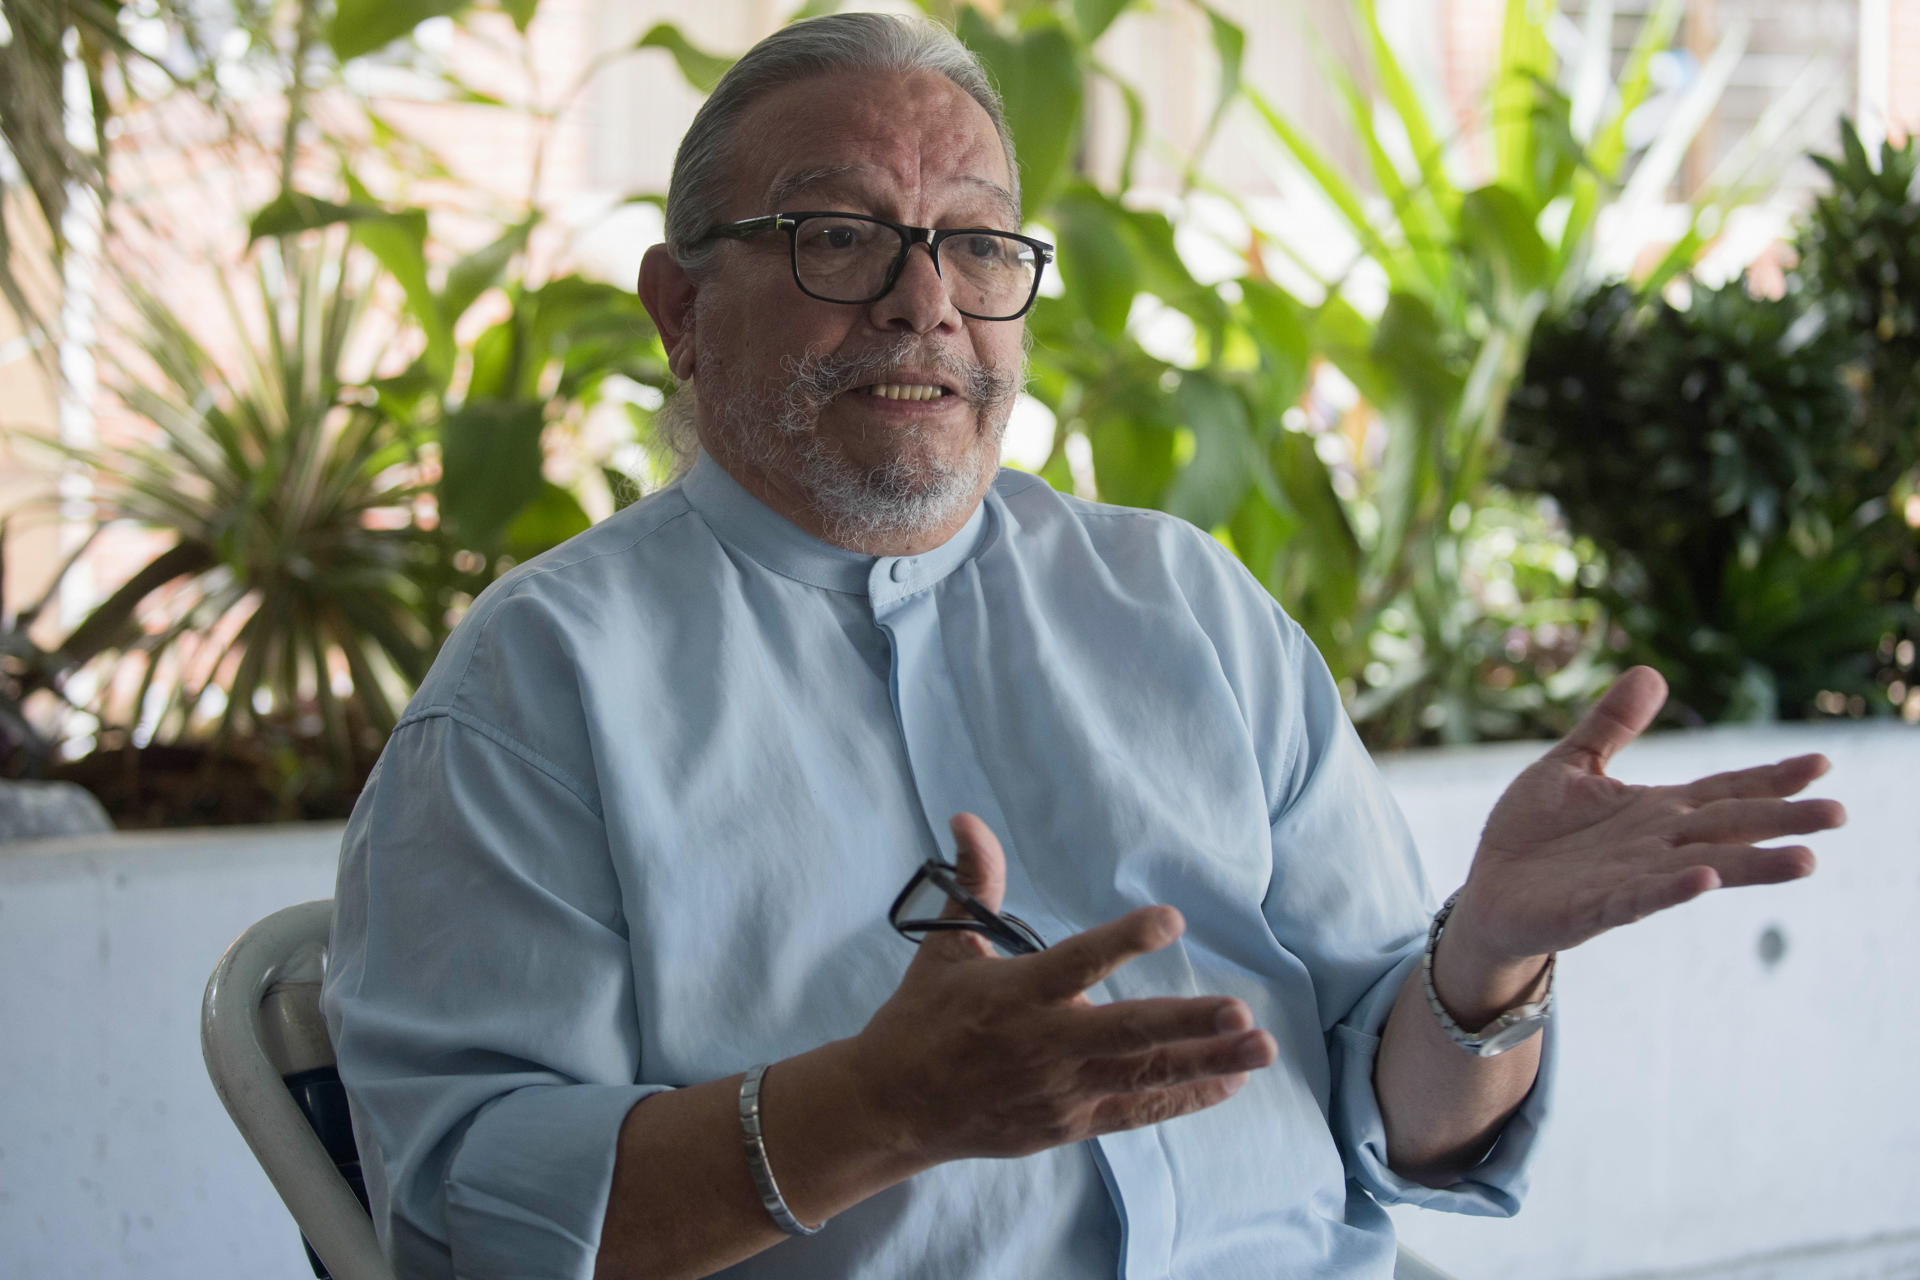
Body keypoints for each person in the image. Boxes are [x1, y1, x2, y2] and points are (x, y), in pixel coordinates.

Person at [321, 14, 1845, 1280]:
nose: (925, 301)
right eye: (838, 236)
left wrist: (1486, 964)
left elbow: (1415, 1130)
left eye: (976, 245)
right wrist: (870, 1112)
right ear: (680, 313)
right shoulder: (542, 693)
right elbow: (465, 1221)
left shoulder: (1187, 608)